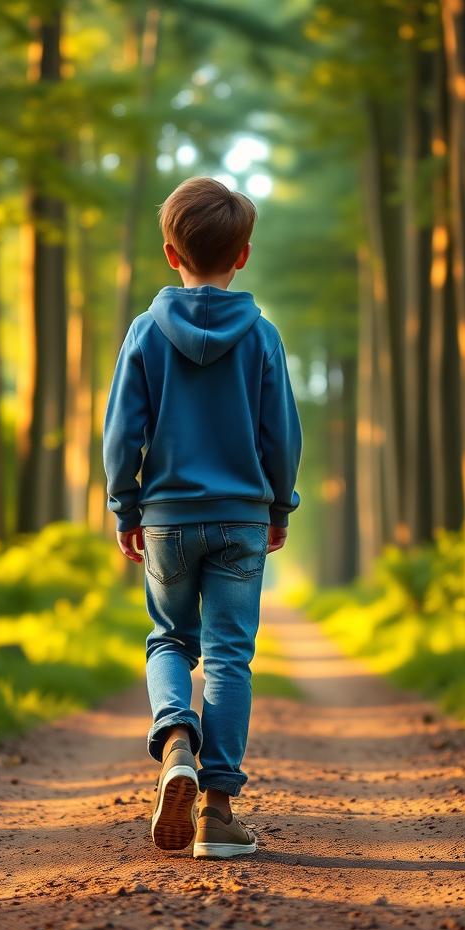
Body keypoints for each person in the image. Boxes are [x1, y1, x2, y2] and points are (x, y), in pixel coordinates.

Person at [103, 176, 302, 859]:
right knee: (229, 657)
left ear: (169, 253)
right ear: (242, 255)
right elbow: (282, 433)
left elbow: (122, 430)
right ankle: (217, 811)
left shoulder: (144, 333)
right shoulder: (264, 336)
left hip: (166, 518)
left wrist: (125, 503)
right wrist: (280, 504)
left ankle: (176, 738)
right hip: (242, 517)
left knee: (168, 640)